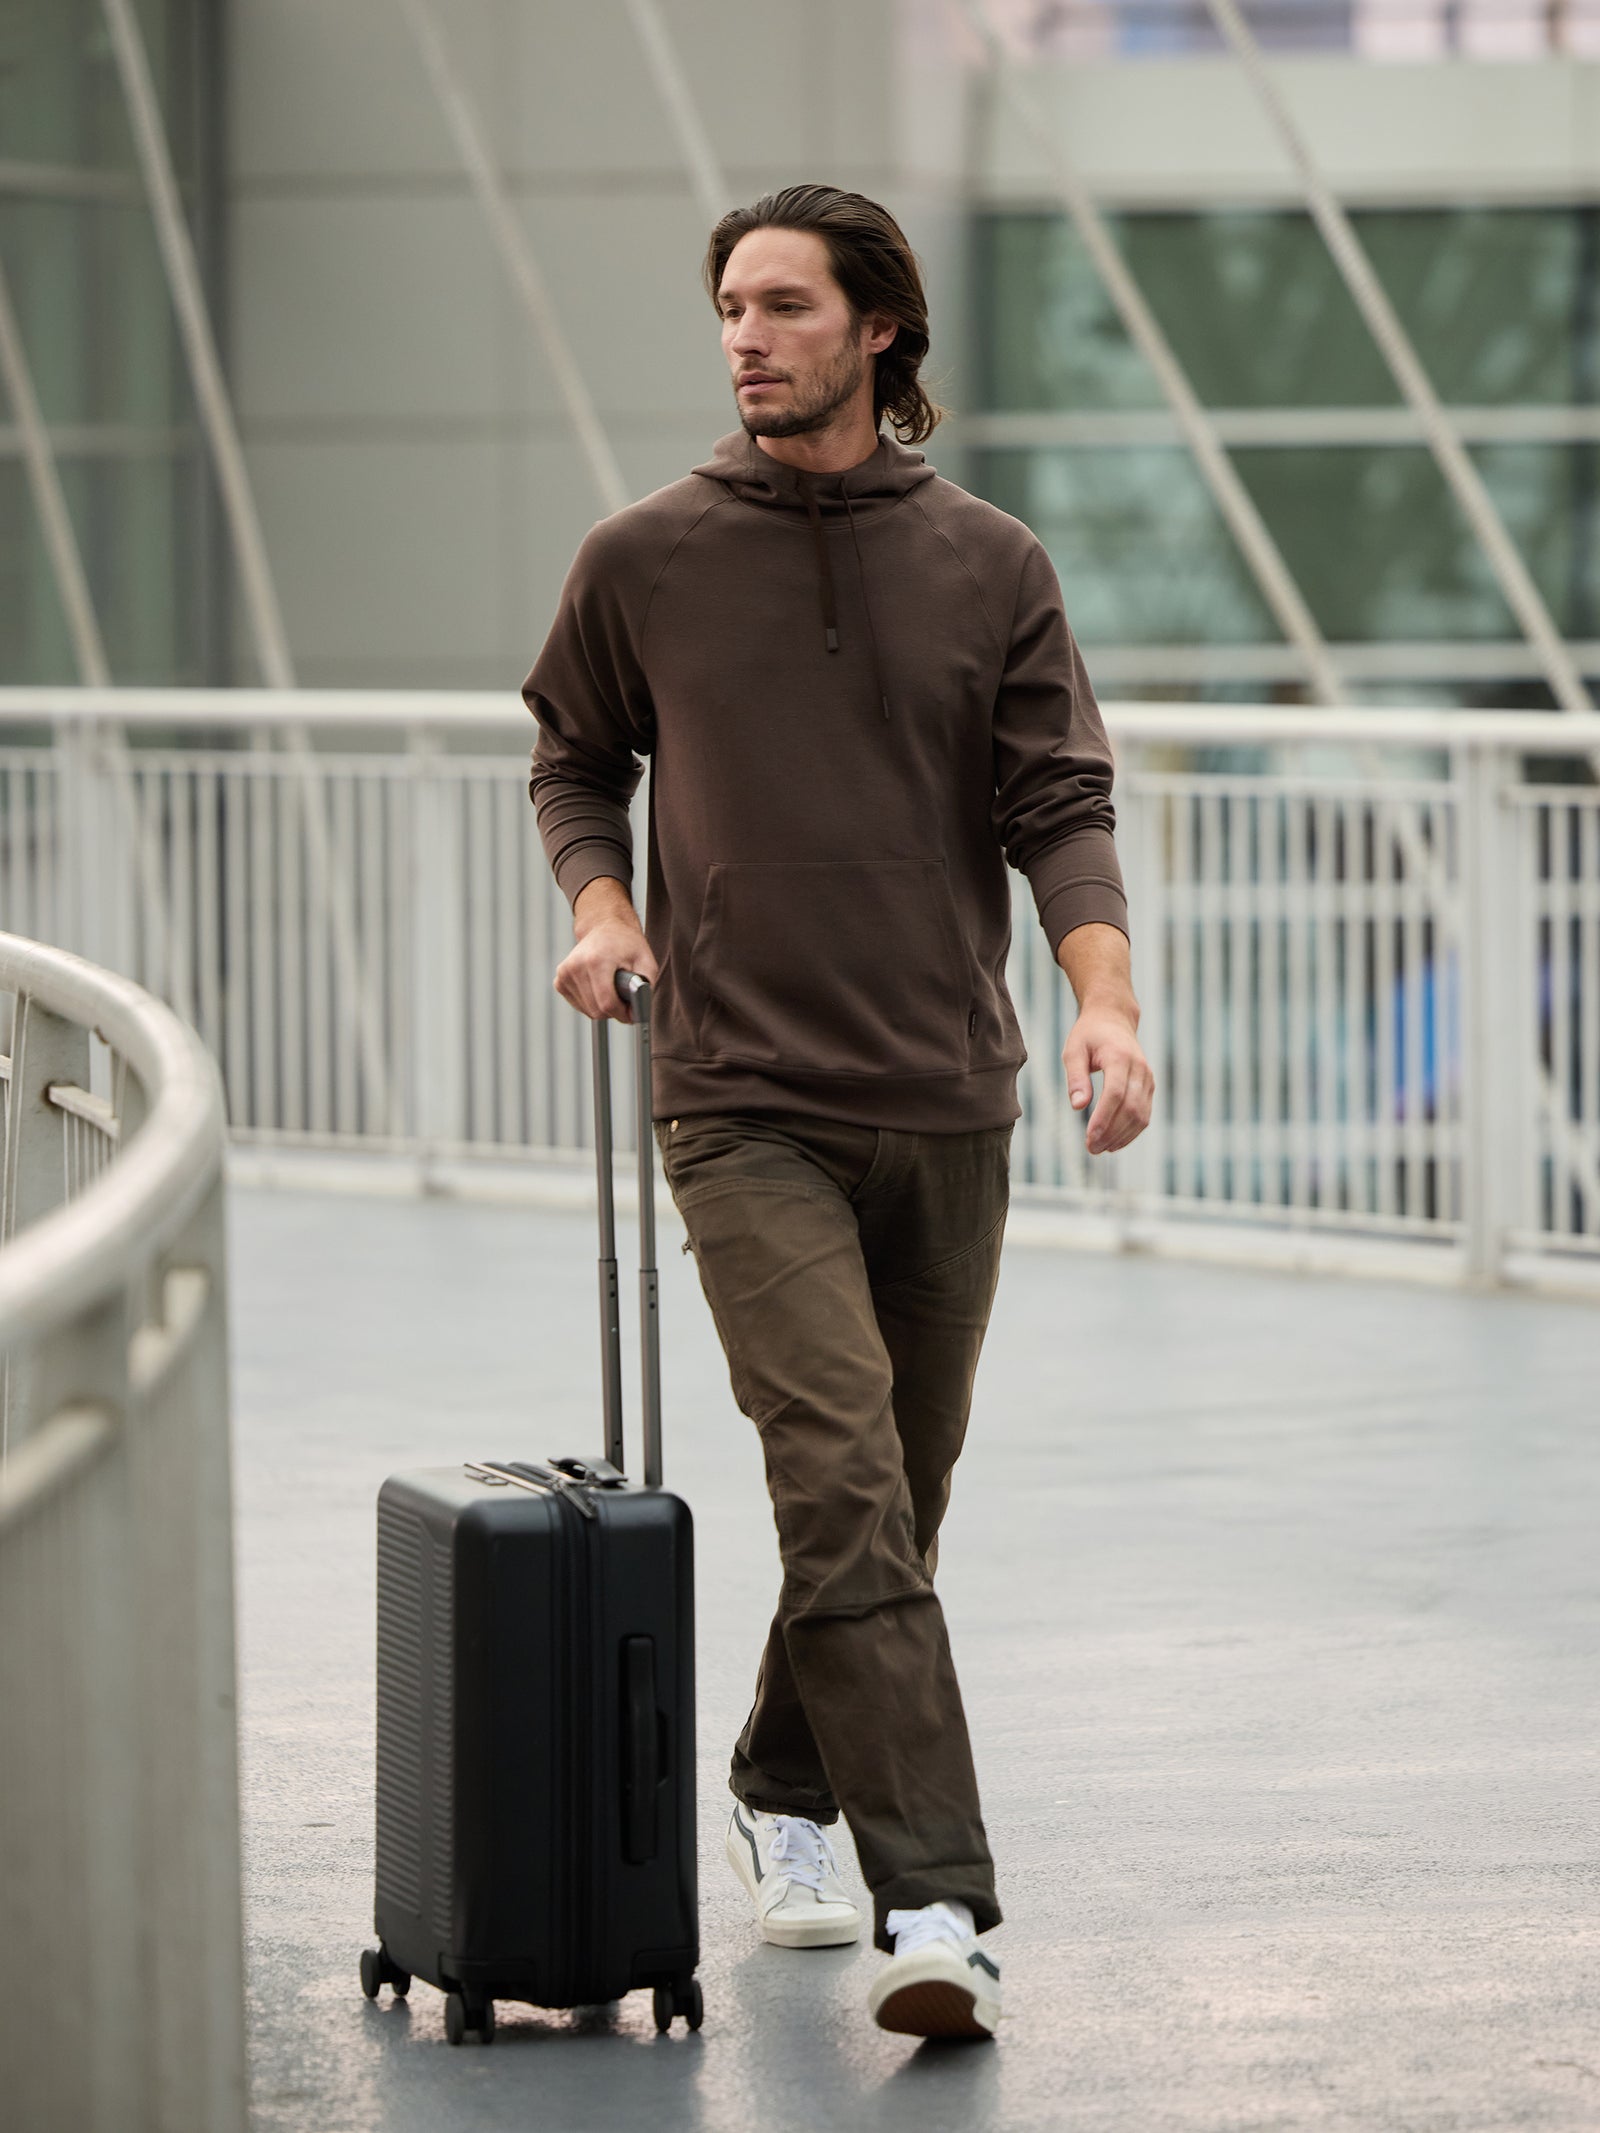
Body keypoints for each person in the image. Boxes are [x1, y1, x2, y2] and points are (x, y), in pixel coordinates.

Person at [524, 183, 1152, 2041]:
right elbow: (575, 753)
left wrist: (1105, 1001)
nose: (745, 334)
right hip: (741, 1098)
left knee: (898, 1496)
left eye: (786, 305)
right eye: (730, 304)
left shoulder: (993, 563)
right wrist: (604, 905)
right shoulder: (643, 554)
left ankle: (781, 1786)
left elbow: (1060, 801)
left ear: (880, 329)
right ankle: (937, 1901)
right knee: (842, 1475)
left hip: (951, 1096)